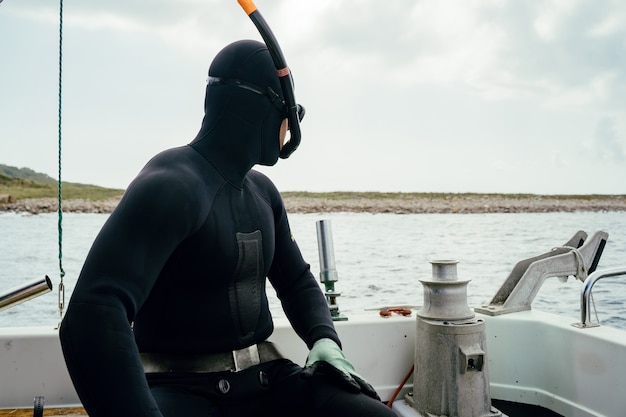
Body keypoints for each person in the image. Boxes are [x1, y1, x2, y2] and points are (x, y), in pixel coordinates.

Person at [59, 39, 398, 417]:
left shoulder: (263, 193)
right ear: (264, 105)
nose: (292, 123)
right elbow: (93, 312)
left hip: (267, 379)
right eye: (291, 109)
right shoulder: (172, 184)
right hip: (180, 389)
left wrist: (324, 339)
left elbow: (296, 280)